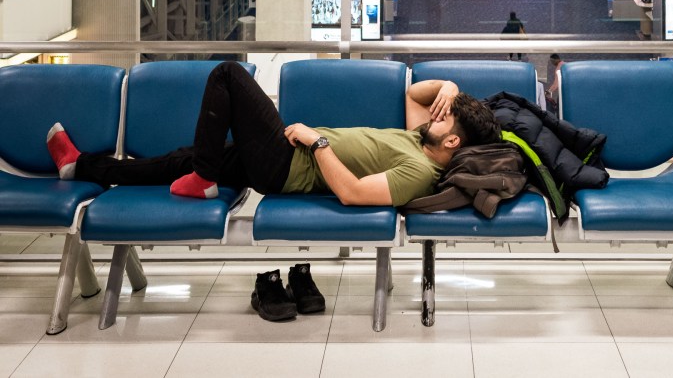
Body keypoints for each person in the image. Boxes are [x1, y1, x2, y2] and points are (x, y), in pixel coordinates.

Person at [45, 61, 500, 321]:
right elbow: (418, 95)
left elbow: (354, 193)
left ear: (452, 142)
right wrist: (450, 88)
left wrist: (317, 142)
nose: (436, 112)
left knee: (228, 75)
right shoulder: (422, 137)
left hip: (286, 165)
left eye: (444, 116)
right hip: (288, 153)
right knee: (181, 159)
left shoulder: (419, 170)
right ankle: (81, 166)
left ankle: (204, 177)